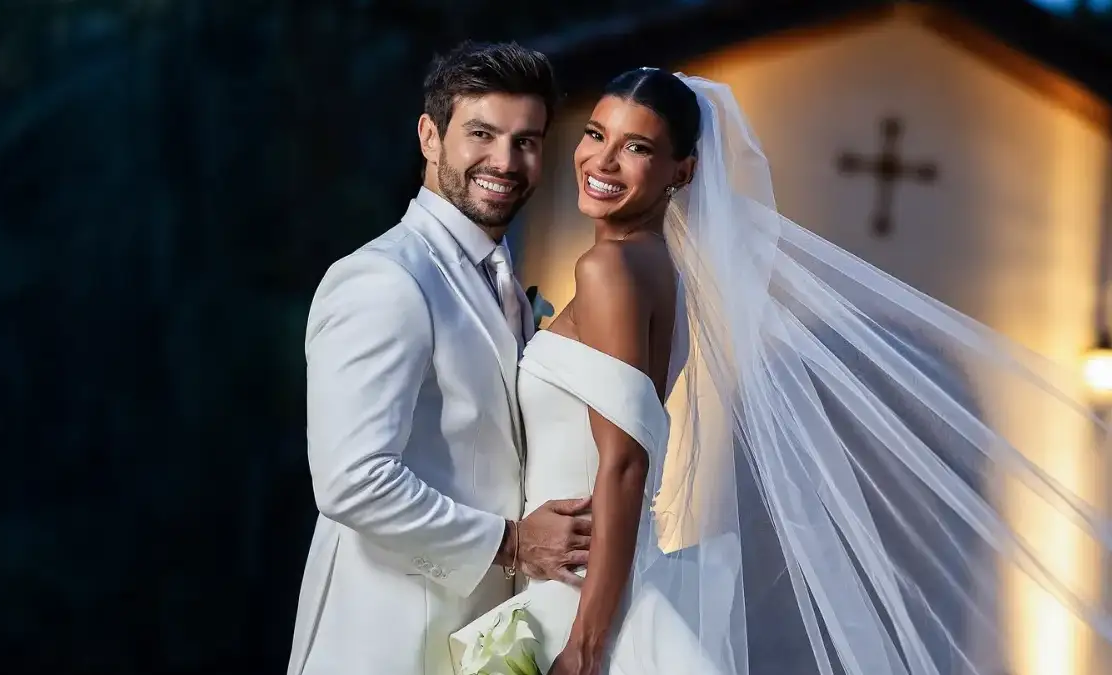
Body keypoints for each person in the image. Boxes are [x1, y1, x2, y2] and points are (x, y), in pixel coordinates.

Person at [450, 68, 1112, 675]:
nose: (601, 159)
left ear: (683, 171)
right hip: (583, 578)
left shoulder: (609, 271)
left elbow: (623, 463)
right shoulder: (658, 270)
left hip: (579, 592)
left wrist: (587, 642)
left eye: (638, 148)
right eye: (596, 133)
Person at [286, 41, 593, 675]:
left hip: (486, 633)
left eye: (527, 141)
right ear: (430, 136)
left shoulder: (504, 276)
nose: (505, 161)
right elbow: (352, 479)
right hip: (390, 637)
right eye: (481, 133)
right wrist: (511, 544)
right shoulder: (383, 279)